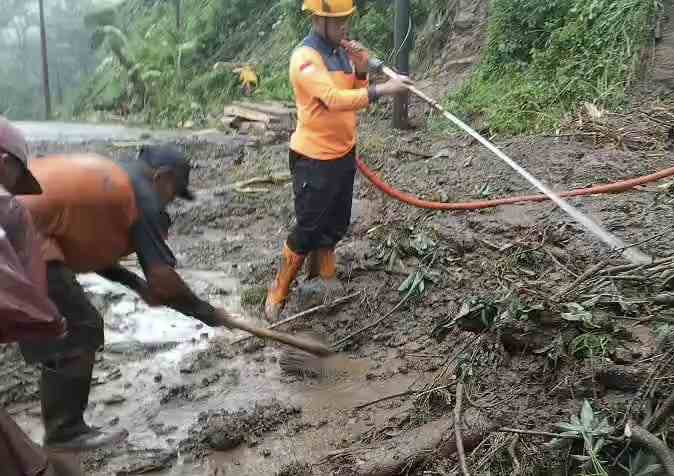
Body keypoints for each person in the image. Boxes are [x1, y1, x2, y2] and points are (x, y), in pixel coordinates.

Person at [12, 126, 239, 450]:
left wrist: (134, 283)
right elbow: (163, 279)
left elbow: (92, 251)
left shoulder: (113, 181)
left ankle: (57, 428)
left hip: (16, 233)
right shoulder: (140, 196)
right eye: (173, 194)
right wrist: (208, 313)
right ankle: (65, 433)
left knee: (61, 327)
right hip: (19, 239)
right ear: (162, 178)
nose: (169, 204)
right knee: (79, 326)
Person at [264, 0, 412, 320]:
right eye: (339, 22)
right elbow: (332, 100)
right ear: (319, 20)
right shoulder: (305, 59)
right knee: (308, 228)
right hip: (313, 158)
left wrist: (360, 70)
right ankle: (278, 292)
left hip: (344, 153)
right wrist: (385, 89)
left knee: (335, 222)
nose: (346, 27)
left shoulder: (341, 53)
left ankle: (324, 283)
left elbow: (354, 97)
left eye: (347, 20)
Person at [0, 117, 80, 476]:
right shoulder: (8, 209)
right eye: (13, 180)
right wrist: (47, 318)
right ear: (4, 164)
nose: (13, 189)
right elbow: (18, 290)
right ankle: (60, 436)